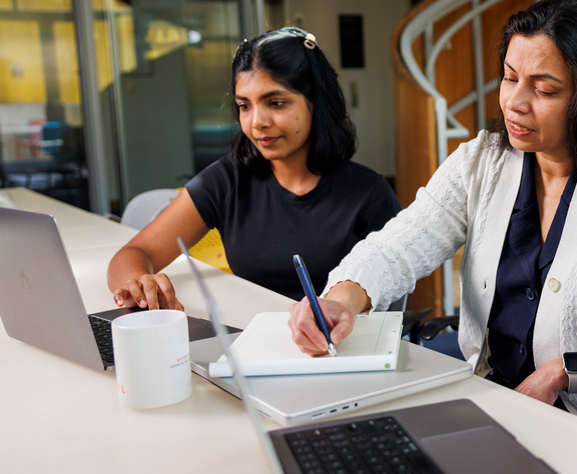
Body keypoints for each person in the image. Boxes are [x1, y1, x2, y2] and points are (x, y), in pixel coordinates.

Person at [289, 0, 577, 432]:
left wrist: (566, 371)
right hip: (494, 403)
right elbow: (400, 244)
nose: (515, 102)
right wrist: (340, 299)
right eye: (509, 78)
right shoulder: (484, 161)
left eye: (544, 89)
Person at [107, 27, 400, 309]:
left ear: (316, 104)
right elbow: (135, 253)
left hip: (341, 347)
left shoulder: (369, 194)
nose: (256, 122)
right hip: (252, 342)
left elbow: (389, 288)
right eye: (244, 106)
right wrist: (138, 286)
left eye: (275, 103)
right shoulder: (227, 180)